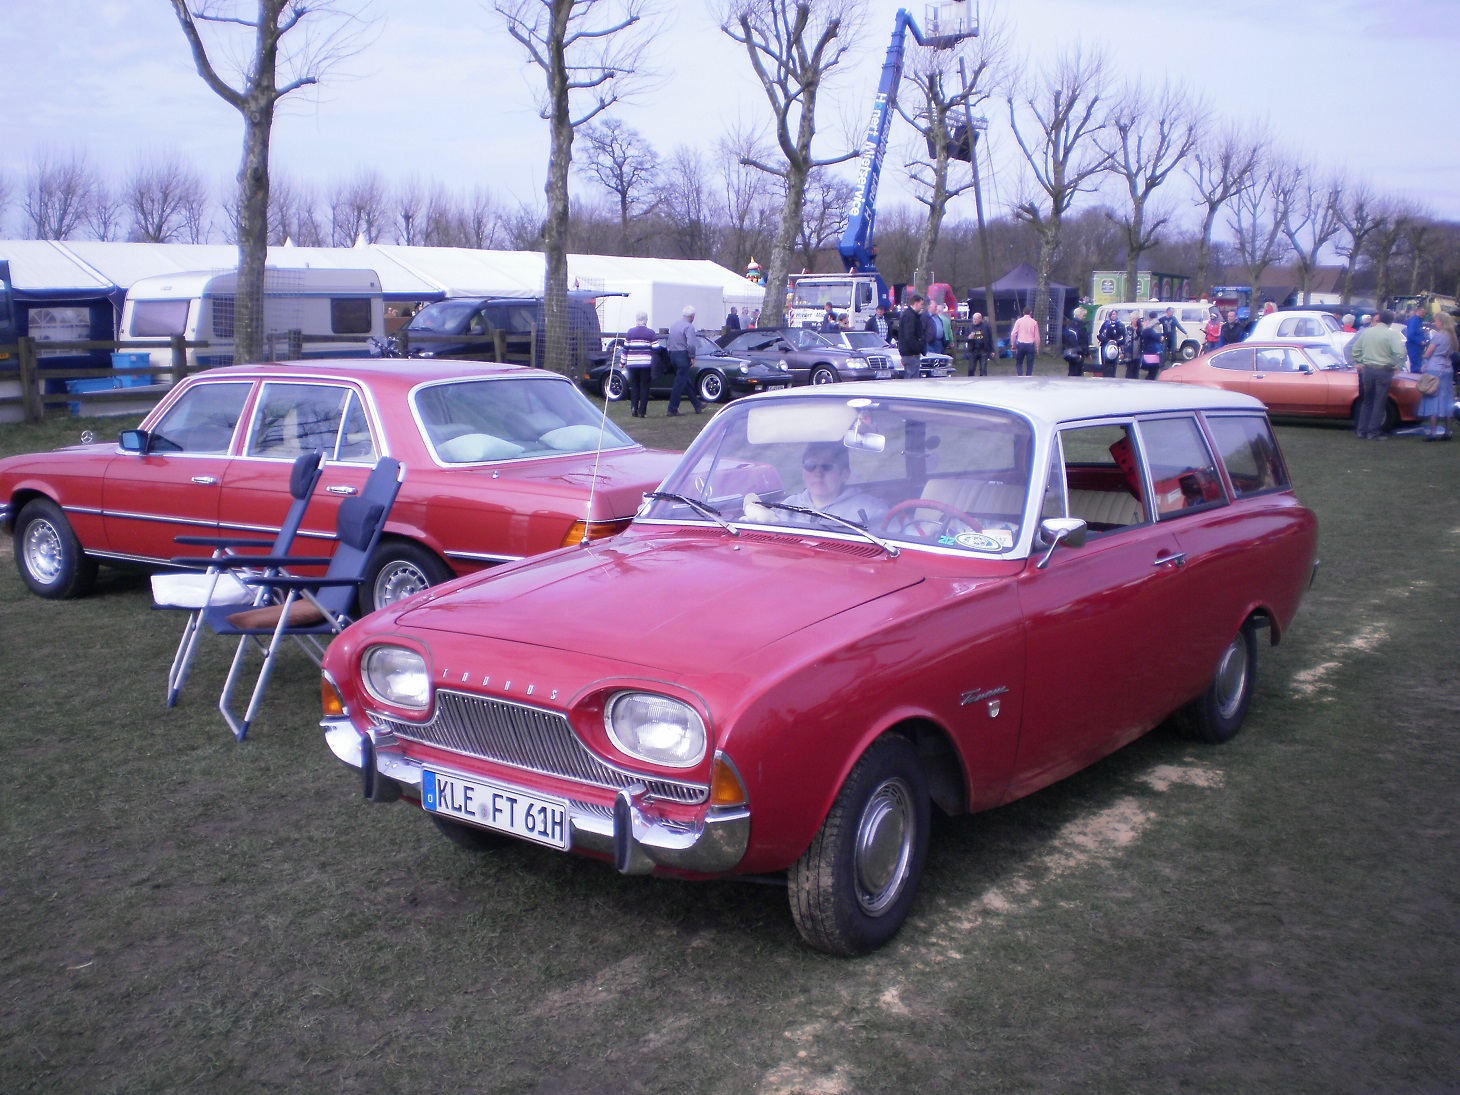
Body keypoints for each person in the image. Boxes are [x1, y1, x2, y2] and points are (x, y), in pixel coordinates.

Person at [743, 442, 888, 528]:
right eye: (810, 466)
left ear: (845, 474)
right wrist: (753, 511)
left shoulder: (873, 510)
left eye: (827, 466)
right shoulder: (788, 506)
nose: (818, 473)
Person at [1350, 309, 1408, 439]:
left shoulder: (1367, 332)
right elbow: (1400, 352)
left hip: (1367, 369)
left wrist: (1359, 361)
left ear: (1380, 318)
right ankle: (1373, 432)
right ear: (1391, 321)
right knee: (1379, 402)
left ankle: (1361, 430)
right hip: (1383, 369)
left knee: (1367, 401)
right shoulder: (1391, 334)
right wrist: (1398, 365)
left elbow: (1355, 349)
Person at [1419, 310, 1456, 440]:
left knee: (1432, 399)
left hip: (1434, 368)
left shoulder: (1438, 336)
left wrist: (1424, 360)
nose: (1435, 323)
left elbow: (1428, 353)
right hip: (1447, 368)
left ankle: (1433, 432)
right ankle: (1448, 431)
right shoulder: (1452, 336)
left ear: (1440, 322)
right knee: (1447, 399)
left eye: (1436, 320)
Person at [665, 305, 704, 416]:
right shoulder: (689, 327)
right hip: (682, 355)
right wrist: (692, 356)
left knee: (685, 381)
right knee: (679, 383)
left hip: (673, 354)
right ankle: (672, 408)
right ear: (692, 316)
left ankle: (697, 404)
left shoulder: (674, 325)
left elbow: (669, 342)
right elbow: (691, 344)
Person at [622, 312, 657, 418]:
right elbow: (656, 348)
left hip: (632, 363)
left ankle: (634, 408)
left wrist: (622, 362)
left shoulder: (630, 332)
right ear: (646, 320)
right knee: (645, 387)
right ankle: (642, 411)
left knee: (634, 386)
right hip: (645, 364)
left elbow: (625, 349)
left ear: (636, 319)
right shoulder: (651, 333)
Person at [896, 294, 927, 377]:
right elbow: (909, 336)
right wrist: (917, 348)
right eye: (921, 304)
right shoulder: (910, 316)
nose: (922, 307)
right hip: (911, 354)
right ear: (916, 303)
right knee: (912, 379)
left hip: (909, 353)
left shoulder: (911, 315)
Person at [1010, 307, 1040, 376]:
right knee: (1030, 363)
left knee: (1019, 362)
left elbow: (1013, 334)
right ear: (1030, 313)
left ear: (1023, 312)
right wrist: (1037, 347)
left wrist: (1013, 344)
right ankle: (1028, 376)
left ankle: (1020, 375)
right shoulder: (1034, 322)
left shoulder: (1019, 321)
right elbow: (1037, 337)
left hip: (1021, 344)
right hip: (1030, 345)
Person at [1097, 311, 1126, 377]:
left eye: (1115, 314)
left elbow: (1124, 337)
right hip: (1105, 347)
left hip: (1116, 347)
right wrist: (1108, 341)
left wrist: (1117, 342)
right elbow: (1099, 335)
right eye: (1112, 314)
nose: (1113, 316)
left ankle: (1112, 377)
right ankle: (1105, 377)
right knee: (1105, 364)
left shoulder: (1121, 325)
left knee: (1114, 365)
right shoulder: (1105, 324)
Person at [1137, 311, 1164, 380]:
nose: (1147, 321)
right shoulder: (1148, 330)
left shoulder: (1141, 331)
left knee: (1151, 372)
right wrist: (1161, 336)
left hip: (1146, 352)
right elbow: (1159, 338)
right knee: (1153, 372)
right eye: (1144, 321)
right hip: (1152, 353)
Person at [966, 311, 994, 376]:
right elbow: (964, 338)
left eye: (976, 319)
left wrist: (992, 350)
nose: (974, 320)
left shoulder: (986, 326)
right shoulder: (969, 327)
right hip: (973, 350)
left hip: (983, 350)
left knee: (983, 369)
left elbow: (990, 338)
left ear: (980, 319)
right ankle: (970, 379)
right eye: (973, 319)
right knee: (971, 368)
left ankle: (983, 380)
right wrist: (968, 338)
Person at [1404, 305, 1427, 372]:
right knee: (1414, 368)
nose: (1424, 314)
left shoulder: (1419, 321)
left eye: (1425, 313)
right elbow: (1410, 335)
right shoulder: (1414, 321)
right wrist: (1420, 341)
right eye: (1422, 312)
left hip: (1418, 349)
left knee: (1417, 367)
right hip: (1413, 349)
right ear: (1418, 311)